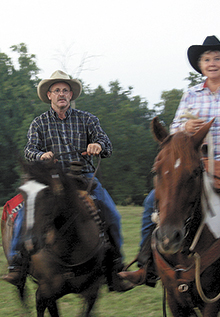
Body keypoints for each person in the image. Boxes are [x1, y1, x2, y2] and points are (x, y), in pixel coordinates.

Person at [119, 35, 220, 296]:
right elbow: (173, 133)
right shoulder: (191, 94)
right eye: (206, 59)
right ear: (200, 65)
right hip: (197, 168)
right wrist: (184, 127)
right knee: (153, 202)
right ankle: (146, 265)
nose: (212, 63)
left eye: (217, 58)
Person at [2, 70, 133, 292]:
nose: (61, 94)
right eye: (57, 91)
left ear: (71, 95)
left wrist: (98, 146)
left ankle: (115, 267)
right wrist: (41, 156)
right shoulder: (39, 123)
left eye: (65, 90)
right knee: (24, 212)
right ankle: (17, 263)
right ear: (50, 96)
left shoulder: (88, 119)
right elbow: (29, 150)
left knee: (112, 213)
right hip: (50, 181)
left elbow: (106, 144)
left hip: (83, 179)